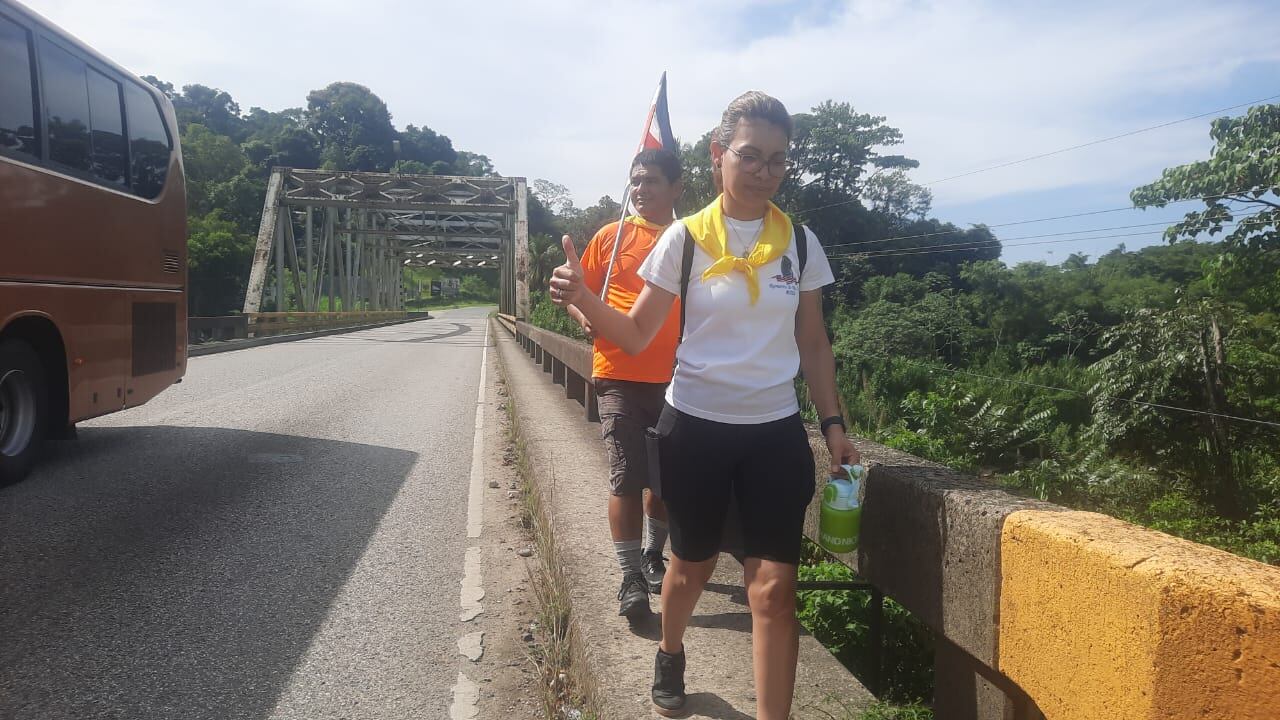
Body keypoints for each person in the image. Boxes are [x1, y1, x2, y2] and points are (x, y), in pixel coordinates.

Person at [550, 91, 858, 719]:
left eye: (777, 159)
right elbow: (635, 334)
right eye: (750, 155)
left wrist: (833, 425)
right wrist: (583, 296)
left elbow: (814, 343)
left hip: (773, 434)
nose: (764, 171)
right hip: (695, 429)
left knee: (773, 591)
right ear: (719, 156)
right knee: (689, 569)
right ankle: (670, 650)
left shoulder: (800, 244)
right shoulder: (685, 240)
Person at [565, 148, 684, 618]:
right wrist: (582, 317)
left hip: (678, 379)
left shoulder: (688, 240)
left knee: (666, 484)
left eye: (652, 181)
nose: (640, 189)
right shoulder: (611, 237)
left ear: (676, 188)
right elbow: (579, 292)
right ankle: (630, 575)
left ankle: (655, 554)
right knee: (626, 476)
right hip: (616, 373)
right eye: (635, 180)